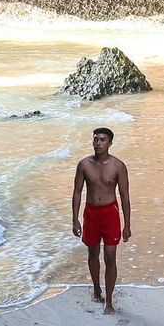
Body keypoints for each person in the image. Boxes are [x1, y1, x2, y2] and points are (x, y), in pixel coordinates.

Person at [71, 125, 131, 314]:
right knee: (92, 254)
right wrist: (75, 219)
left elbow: (125, 196)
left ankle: (109, 301)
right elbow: (77, 192)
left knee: (110, 257)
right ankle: (97, 290)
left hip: (110, 213)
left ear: (110, 143)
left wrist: (127, 225)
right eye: (96, 139)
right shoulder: (84, 164)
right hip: (91, 213)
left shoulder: (118, 166)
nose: (98, 143)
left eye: (102, 140)